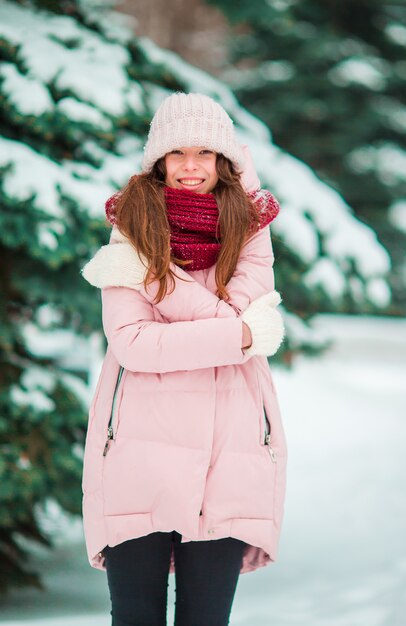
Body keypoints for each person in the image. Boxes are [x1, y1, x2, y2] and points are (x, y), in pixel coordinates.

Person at [81, 92, 288, 626]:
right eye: (176, 154)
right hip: (137, 457)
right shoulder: (129, 226)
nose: (190, 166)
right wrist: (238, 336)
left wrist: (152, 279)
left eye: (204, 153)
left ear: (224, 162)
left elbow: (248, 315)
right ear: (158, 162)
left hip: (229, 456)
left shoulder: (251, 229)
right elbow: (135, 344)